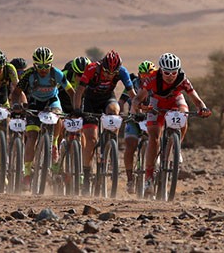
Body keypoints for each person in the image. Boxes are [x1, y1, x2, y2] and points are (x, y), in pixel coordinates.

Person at [130, 53, 211, 195]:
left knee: (183, 115)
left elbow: (197, 100)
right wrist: (135, 110)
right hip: (156, 104)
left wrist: (203, 109)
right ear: (161, 70)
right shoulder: (152, 79)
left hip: (175, 101)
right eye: (167, 72)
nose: (170, 75)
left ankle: (176, 147)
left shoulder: (183, 79)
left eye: (174, 72)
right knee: (153, 138)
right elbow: (137, 99)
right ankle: (149, 178)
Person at [10, 46, 74, 191]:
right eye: (40, 66)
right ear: (34, 65)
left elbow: (71, 91)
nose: (43, 69)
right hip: (35, 102)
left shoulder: (56, 73)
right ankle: (27, 174)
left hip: (52, 101)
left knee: (58, 116)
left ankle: (54, 144)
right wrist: (15, 105)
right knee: (31, 136)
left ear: (51, 64)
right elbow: (16, 92)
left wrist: (76, 108)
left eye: (46, 66)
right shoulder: (28, 75)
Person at [72, 50, 134, 193]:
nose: (109, 75)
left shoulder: (122, 71)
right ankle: (86, 175)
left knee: (115, 111)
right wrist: (76, 109)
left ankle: (111, 141)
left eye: (113, 73)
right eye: (107, 72)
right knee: (91, 140)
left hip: (107, 99)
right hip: (90, 102)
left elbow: (132, 94)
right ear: (102, 66)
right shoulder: (92, 69)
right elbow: (79, 91)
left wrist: (138, 110)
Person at [123, 60, 157, 194]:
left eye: (149, 74)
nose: (146, 77)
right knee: (130, 145)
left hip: (150, 118)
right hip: (135, 118)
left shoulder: (157, 85)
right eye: (143, 75)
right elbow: (122, 101)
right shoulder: (134, 84)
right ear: (139, 75)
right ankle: (130, 179)